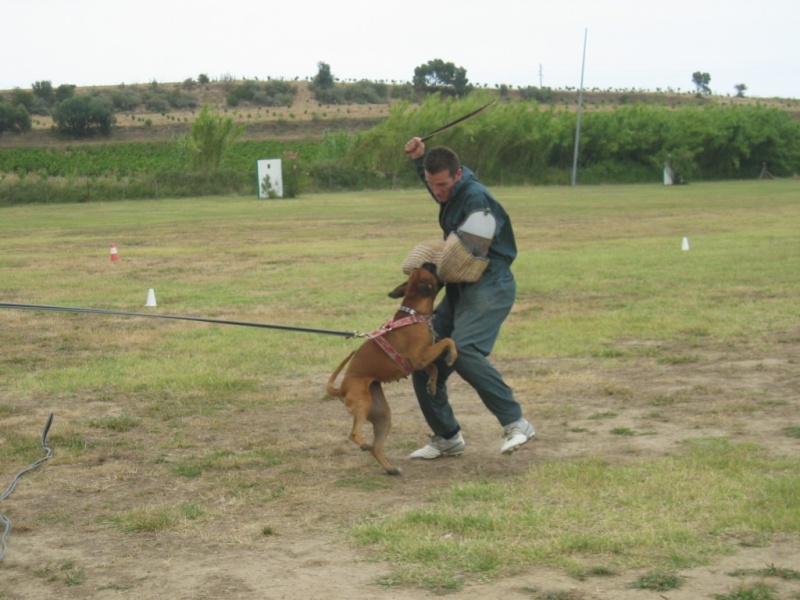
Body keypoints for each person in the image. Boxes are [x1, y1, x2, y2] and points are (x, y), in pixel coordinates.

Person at [403, 136, 535, 458]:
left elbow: (463, 259)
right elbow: (436, 181)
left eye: (443, 185)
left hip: (490, 281)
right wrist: (421, 160)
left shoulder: (478, 204)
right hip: (464, 284)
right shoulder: (450, 187)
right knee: (425, 359)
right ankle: (447, 436)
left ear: (458, 175)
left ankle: (516, 423)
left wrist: (429, 270)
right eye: (433, 185)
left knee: (465, 350)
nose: (438, 192)